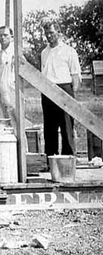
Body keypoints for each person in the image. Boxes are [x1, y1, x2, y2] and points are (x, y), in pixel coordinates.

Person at [41, 20, 81, 156]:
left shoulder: (69, 51)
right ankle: (50, 158)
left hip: (65, 90)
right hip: (47, 91)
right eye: (46, 33)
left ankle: (68, 158)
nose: (49, 36)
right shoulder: (44, 53)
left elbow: (75, 76)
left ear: (58, 33)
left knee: (67, 127)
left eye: (51, 33)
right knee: (49, 128)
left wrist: (72, 97)